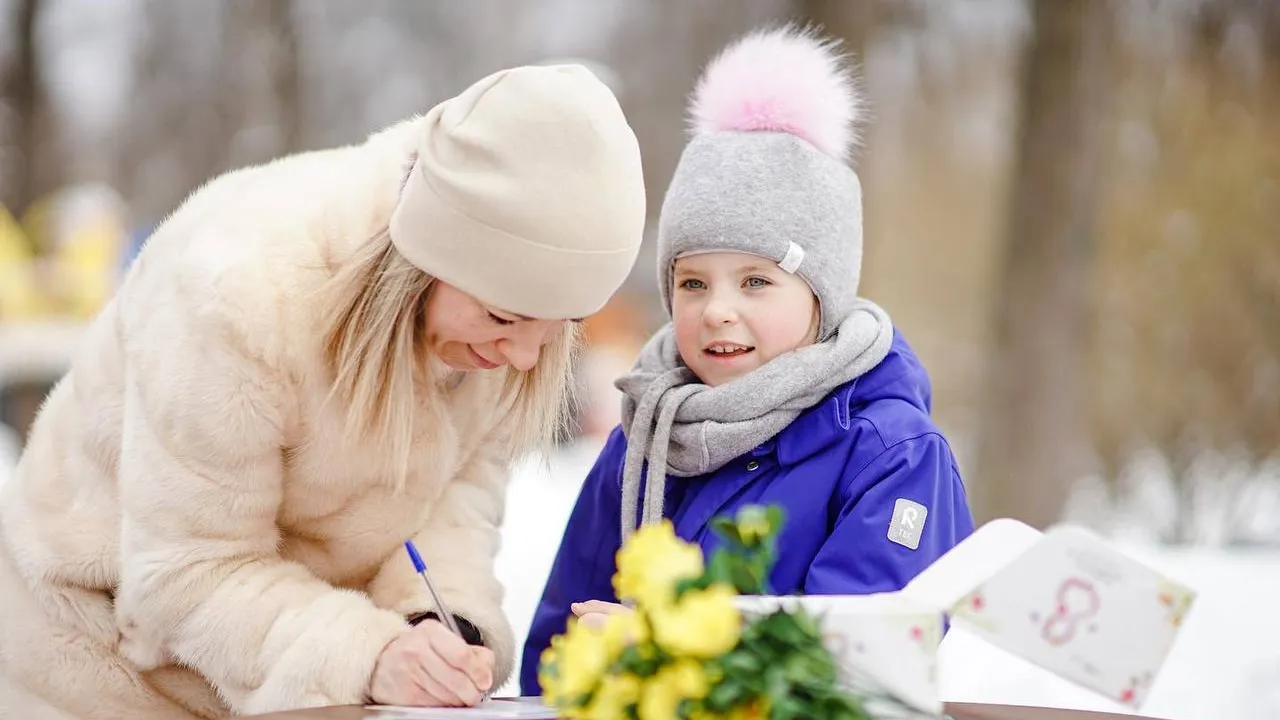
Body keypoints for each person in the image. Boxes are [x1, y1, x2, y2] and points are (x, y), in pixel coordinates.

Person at [0, 63, 647, 720]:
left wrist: (438, 623)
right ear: (424, 264)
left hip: (306, 683)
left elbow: (453, 502)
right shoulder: (236, 294)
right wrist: (367, 656)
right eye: (504, 318)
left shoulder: (497, 324)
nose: (524, 356)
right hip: (100, 675)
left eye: (559, 327)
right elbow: (183, 575)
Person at [520, 26, 976, 694]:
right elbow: (558, 650)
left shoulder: (891, 455)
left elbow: (863, 666)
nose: (717, 310)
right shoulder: (642, 442)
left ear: (822, 293)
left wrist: (657, 648)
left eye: (756, 281)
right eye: (693, 282)